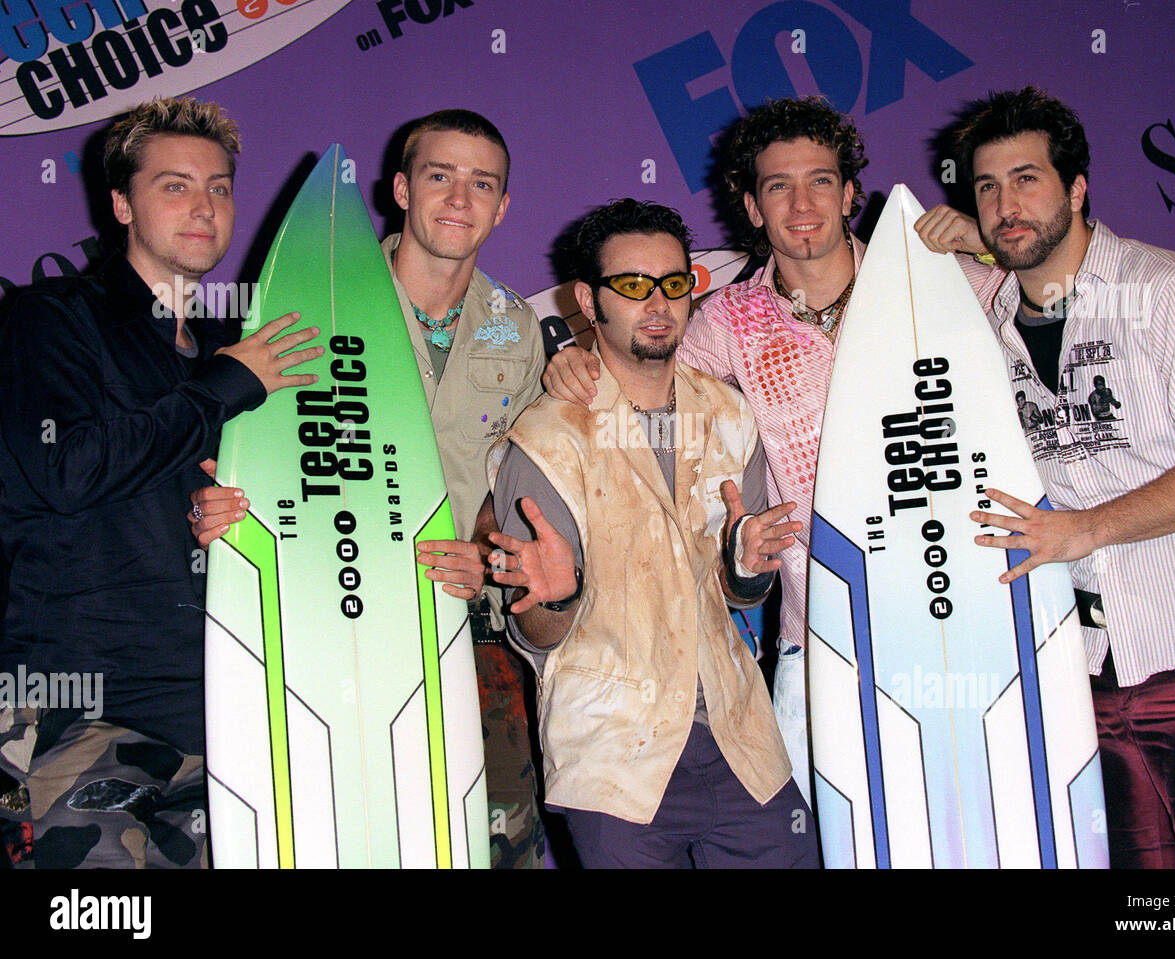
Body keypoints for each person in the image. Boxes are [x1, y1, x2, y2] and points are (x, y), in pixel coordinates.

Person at [914, 86, 1175, 869]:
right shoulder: (989, 330)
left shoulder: (1165, 292)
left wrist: (1083, 528)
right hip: (1083, 668)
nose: (1005, 205)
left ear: (1077, 187)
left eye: (1027, 179)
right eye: (986, 187)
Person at [191, 110, 546, 869]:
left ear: (503, 206)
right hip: (326, 627)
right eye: (439, 176)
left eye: (482, 183)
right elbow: (238, 448)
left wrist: (487, 553)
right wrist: (216, 505)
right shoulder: (317, 301)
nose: (459, 197)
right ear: (400, 189)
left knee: (489, 840)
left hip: (461, 627)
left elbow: (514, 479)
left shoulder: (516, 328)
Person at [0, 97, 321, 868]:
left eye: (219, 187)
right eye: (174, 186)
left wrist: (233, 515)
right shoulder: (50, 319)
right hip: (80, 708)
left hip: (223, 710)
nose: (204, 207)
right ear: (121, 203)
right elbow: (67, 468)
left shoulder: (230, 348)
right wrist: (222, 387)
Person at [542, 97, 869, 804]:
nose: (802, 202)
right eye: (777, 185)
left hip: (955, 621)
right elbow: (637, 359)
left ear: (850, 193)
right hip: (819, 643)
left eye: (820, 180)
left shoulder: (933, 283)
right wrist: (573, 359)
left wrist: (973, 238)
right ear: (752, 207)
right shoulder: (726, 320)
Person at [487, 199, 817, 868]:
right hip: (617, 755)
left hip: (738, 737)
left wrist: (746, 569)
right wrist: (555, 597)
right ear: (588, 298)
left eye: (674, 282)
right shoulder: (547, 439)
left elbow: (736, 593)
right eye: (633, 285)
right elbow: (535, 633)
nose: (658, 301)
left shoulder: (727, 413)